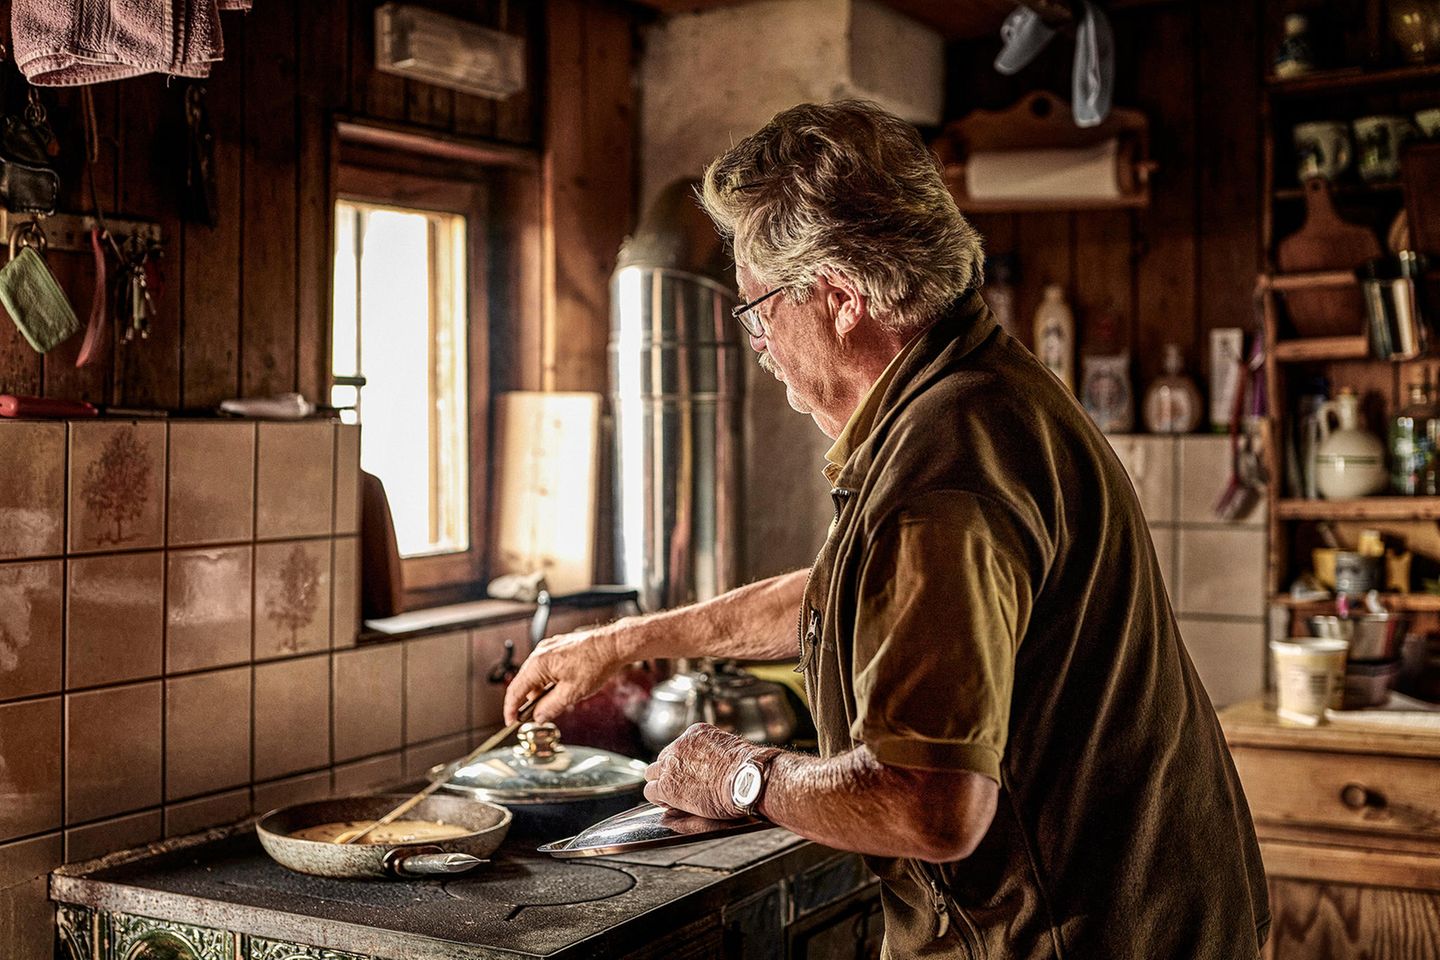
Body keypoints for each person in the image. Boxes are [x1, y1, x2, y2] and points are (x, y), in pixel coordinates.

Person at [505, 100, 1269, 959]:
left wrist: (745, 776)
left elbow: (927, 804)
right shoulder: (978, 387)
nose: (755, 338)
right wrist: (629, 641)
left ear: (837, 297)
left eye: (757, 305)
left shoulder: (941, 470)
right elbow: (853, 593)